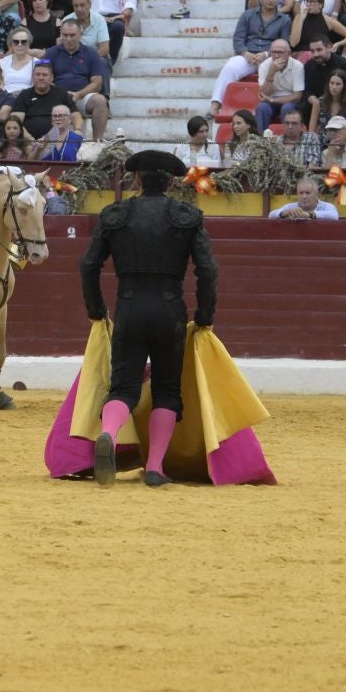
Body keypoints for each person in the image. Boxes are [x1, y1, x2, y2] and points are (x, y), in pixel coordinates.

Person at [77, 149, 217, 488]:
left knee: (124, 386)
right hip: (169, 310)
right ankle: (154, 467)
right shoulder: (187, 216)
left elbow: (88, 265)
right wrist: (204, 315)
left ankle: (108, 432)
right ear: (170, 182)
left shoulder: (115, 214)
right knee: (167, 389)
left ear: (137, 180)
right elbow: (208, 271)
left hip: (129, 307)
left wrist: (96, 309)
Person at [269, 176, 339, 221]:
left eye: (307, 193)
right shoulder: (291, 207)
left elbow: (334, 216)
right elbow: (270, 215)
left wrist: (309, 215)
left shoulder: (327, 206)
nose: (304, 196)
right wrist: (285, 213)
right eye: (301, 193)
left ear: (316, 194)